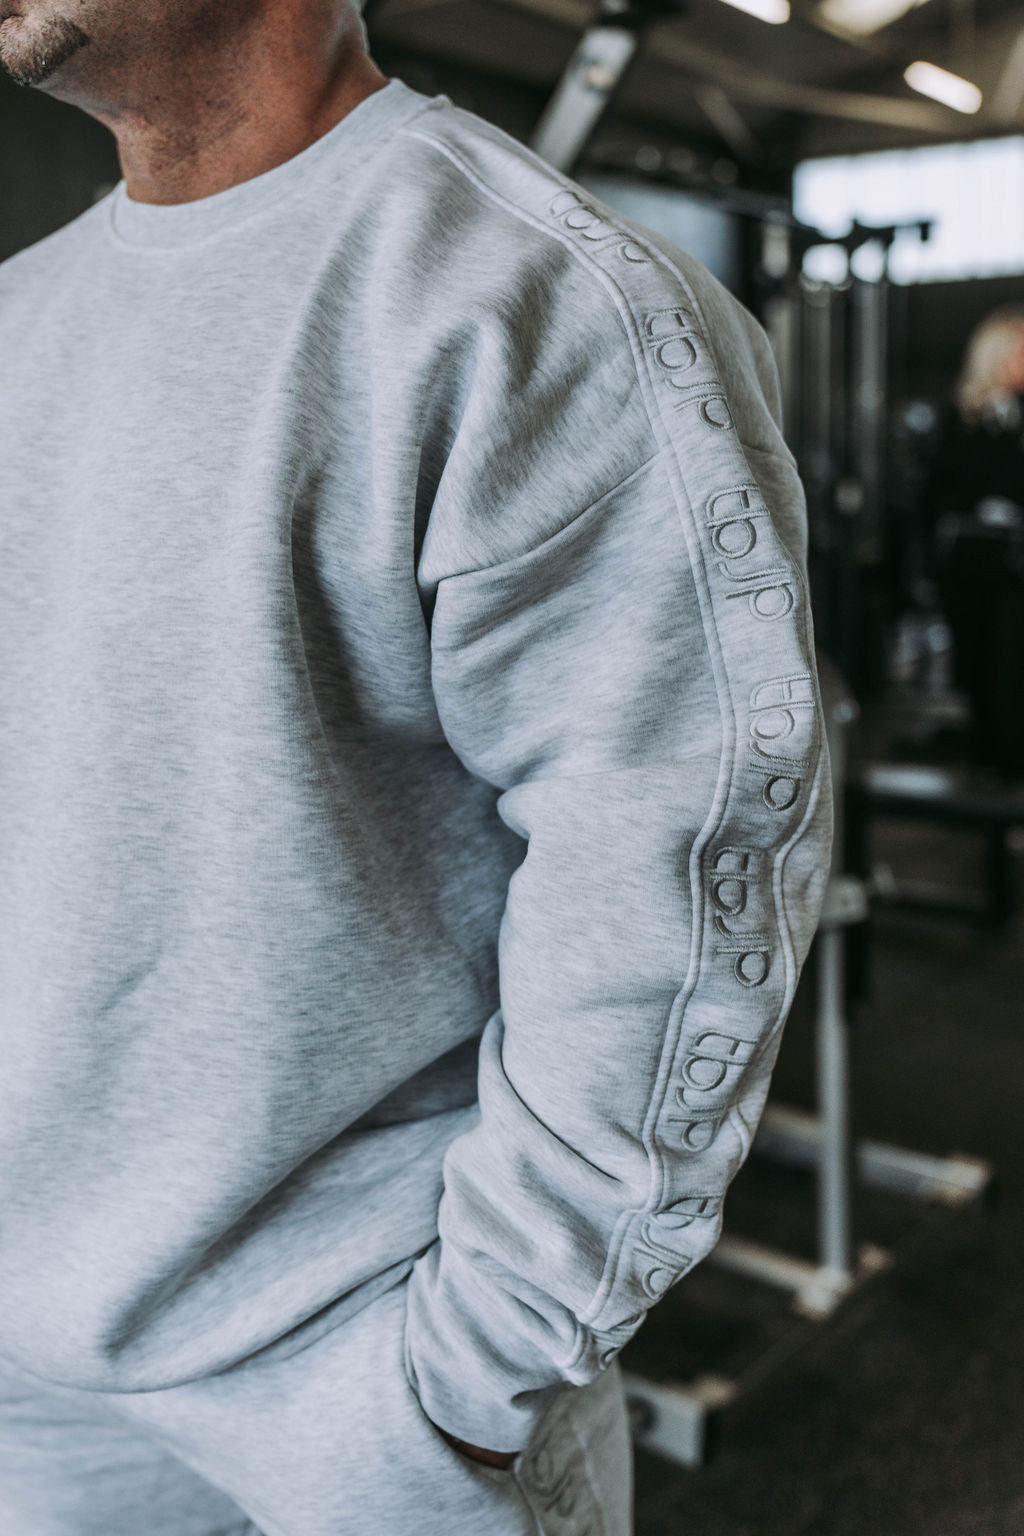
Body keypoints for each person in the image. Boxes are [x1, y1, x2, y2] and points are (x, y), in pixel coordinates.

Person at [0, 1, 833, 1532]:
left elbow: (679, 876)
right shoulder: (18, 323)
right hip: (35, 1378)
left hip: (360, 1393)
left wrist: (468, 1377)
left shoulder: (536, 300)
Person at [921, 305, 1024, 774]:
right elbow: (939, 489)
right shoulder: (959, 416)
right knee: (978, 663)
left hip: (1012, 563)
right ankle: (987, 766)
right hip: (969, 561)